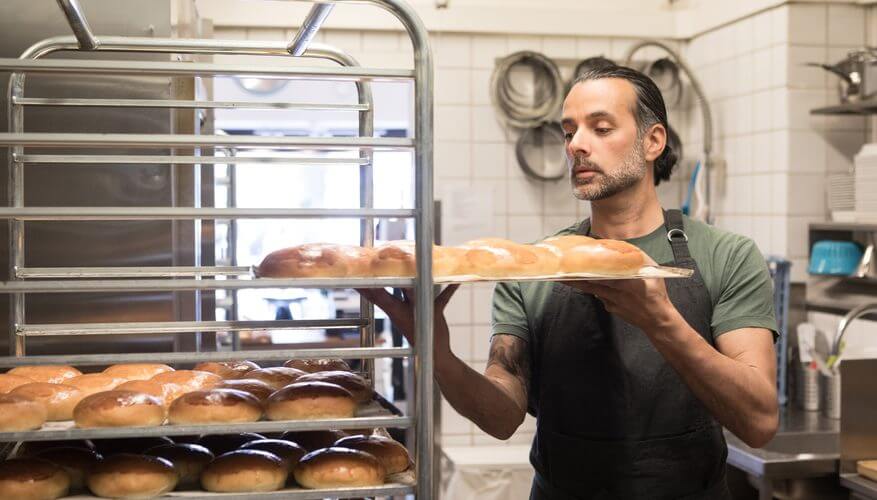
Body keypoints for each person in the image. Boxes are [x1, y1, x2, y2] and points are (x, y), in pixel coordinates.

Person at [359, 64, 778, 499]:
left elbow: (759, 422)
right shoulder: (532, 267)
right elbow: (502, 418)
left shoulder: (726, 256)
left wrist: (661, 322)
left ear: (653, 141)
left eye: (601, 128)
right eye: (569, 132)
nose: (576, 144)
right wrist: (436, 352)